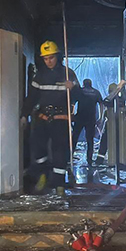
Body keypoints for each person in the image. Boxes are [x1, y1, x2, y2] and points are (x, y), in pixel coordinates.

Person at [21, 41, 81, 196]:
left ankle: (59, 185)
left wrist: (73, 88)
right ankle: (43, 176)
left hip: (61, 118)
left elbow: (79, 97)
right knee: (38, 148)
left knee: (60, 151)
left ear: (58, 57)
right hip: (42, 117)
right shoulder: (39, 76)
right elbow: (31, 98)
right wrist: (24, 115)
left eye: (51, 58)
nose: (48, 61)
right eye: (45, 58)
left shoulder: (68, 74)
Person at [72, 79, 103, 169]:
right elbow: (101, 105)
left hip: (80, 117)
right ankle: (89, 159)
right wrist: (100, 117)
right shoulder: (96, 92)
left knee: (75, 137)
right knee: (90, 140)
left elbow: (73, 103)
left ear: (83, 84)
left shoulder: (80, 91)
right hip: (91, 119)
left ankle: (70, 156)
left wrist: (71, 114)